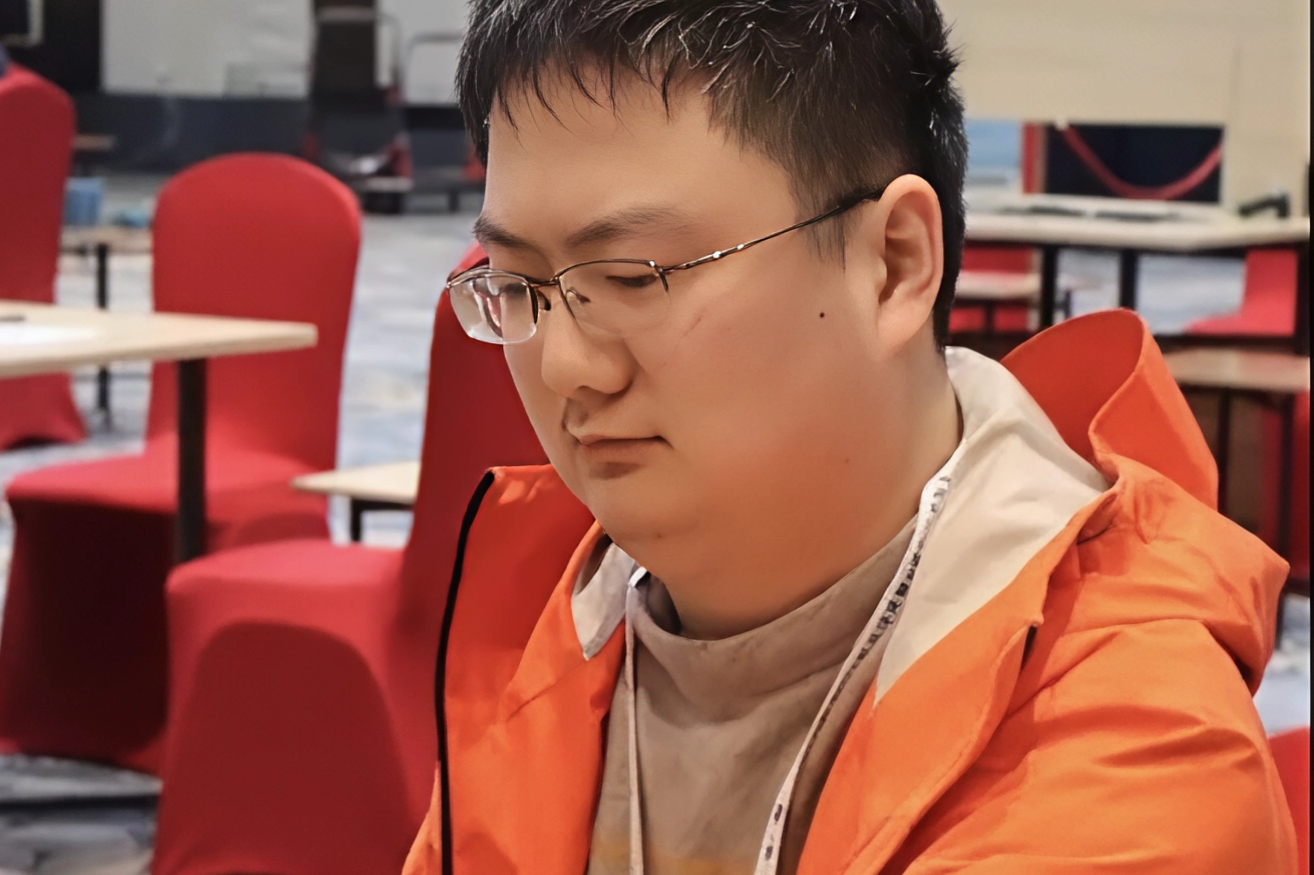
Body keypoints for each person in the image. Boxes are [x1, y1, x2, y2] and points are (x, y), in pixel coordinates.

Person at [404, 1, 1299, 873]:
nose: (567, 366)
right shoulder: (552, 620)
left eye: (636, 277)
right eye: (516, 284)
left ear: (895, 263)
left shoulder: (1126, 741)